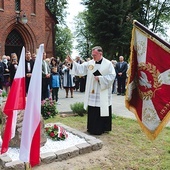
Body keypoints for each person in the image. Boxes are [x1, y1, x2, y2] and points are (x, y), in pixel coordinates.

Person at [67, 46, 116, 135]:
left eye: (95, 55)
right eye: (92, 55)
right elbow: (80, 69)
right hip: (92, 90)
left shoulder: (108, 64)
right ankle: (92, 128)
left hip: (102, 90)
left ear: (100, 54)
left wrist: (101, 78)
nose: (93, 57)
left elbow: (112, 76)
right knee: (93, 109)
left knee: (102, 108)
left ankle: (103, 128)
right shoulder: (90, 63)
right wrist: (72, 62)